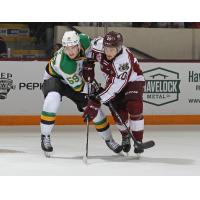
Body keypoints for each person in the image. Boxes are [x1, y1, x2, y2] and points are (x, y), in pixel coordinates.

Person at [40, 31, 122, 156]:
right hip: (55, 79)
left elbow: (99, 45)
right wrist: (96, 90)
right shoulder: (65, 64)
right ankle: (45, 136)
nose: (71, 51)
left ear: (79, 44)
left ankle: (109, 139)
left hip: (77, 80)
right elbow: (79, 87)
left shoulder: (84, 40)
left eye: (73, 47)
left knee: (96, 112)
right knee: (52, 99)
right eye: (67, 48)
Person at [82, 31, 146, 154]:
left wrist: (96, 101)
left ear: (119, 48)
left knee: (134, 107)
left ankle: (139, 141)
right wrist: (88, 64)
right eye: (106, 49)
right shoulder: (98, 45)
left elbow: (115, 87)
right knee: (119, 115)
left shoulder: (123, 62)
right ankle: (125, 136)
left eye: (112, 50)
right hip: (112, 83)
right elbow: (88, 52)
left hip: (133, 81)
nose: (109, 52)